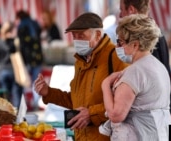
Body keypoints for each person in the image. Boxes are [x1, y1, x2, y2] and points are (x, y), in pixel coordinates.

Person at [34, 12, 128, 141]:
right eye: (74, 36)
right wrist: (49, 93)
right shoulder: (80, 61)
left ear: (98, 34)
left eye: (81, 35)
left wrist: (91, 114)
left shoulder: (115, 57)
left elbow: (124, 104)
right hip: (81, 136)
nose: (77, 40)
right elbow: (76, 101)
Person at [99, 14, 171, 141]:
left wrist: (105, 84)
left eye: (120, 42)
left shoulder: (135, 71)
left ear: (135, 45)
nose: (117, 47)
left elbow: (116, 115)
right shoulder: (159, 67)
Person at [16, 10, 44, 110]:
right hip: (38, 57)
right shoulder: (35, 23)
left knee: (24, 82)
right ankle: (36, 103)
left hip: (27, 58)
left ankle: (25, 105)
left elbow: (22, 44)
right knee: (36, 82)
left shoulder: (21, 26)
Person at [0, 21, 23, 108]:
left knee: (5, 96)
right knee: (16, 94)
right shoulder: (15, 42)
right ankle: (16, 115)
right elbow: (22, 55)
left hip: (2, 70)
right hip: (14, 70)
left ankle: (7, 114)